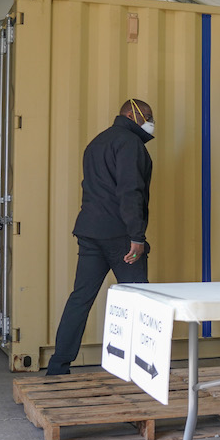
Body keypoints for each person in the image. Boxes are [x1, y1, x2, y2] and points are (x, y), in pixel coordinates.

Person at [46, 100, 154, 376]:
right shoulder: (129, 143)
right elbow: (131, 191)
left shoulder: (97, 142)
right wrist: (136, 236)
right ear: (132, 115)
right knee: (141, 299)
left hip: (90, 231)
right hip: (120, 235)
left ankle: (58, 366)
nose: (151, 122)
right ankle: (142, 367)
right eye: (148, 117)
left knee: (80, 297)